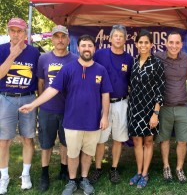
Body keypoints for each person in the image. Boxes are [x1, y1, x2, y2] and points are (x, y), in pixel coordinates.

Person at [19, 35, 113, 195]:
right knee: (72, 153)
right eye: (83, 46)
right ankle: (71, 181)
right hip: (72, 121)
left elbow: (105, 95)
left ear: (94, 49)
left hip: (93, 121)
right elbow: (52, 89)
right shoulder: (68, 69)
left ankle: (84, 179)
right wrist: (34, 104)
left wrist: (104, 117)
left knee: (88, 153)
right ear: (78, 48)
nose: (86, 49)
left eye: (90, 46)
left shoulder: (100, 70)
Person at [0, 17, 40, 194]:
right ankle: (4, 177)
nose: (16, 34)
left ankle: (25, 175)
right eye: (12, 30)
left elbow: (39, 78)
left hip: (28, 98)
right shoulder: (1, 50)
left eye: (19, 31)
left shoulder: (34, 52)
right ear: (8, 31)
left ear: (25, 33)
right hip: (6, 98)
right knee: (3, 141)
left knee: (28, 138)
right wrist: (12, 55)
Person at [89, 25, 133, 184]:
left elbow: (130, 82)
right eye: (116, 36)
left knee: (118, 138)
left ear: (125, 39)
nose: (119, 38)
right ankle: (98, 168)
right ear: (110, 38)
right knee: (100, 139)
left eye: (121, 36)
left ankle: (114, 168)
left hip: (121, 102)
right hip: (102, 104)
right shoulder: (100, 54)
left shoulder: (129, 59)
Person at [36, 25, 78, 191]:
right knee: (46, 143)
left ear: (68, 39)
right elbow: (40, 82)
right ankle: (44, 174)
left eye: (63, 36)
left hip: (68, 110)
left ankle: (63, 170)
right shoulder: (44, 59)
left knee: (65, 142)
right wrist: (42, 102)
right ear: (52, 39)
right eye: (57, 36)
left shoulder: (75, 59)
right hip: (48, 110)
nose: (60, 40)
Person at [128, 29, 165, 188]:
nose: (143, 45)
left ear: (151, 44)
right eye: (140, 42)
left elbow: (160, 90)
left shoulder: (157, 63)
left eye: (146, 42)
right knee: (137, 140)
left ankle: (145, 173)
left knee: (148, 141)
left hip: (150, 109)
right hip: (134, 107)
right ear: (136, 44)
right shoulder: (134, 62)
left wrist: (155, 113)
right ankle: (138, 171)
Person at [154, 31, 187, 183]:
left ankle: (179, 168)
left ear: (181, 45)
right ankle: (166, 167)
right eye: (171, 42)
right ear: (166, 43)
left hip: (182, 105)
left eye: (177, 43)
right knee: (164, 139)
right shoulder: (158, 57)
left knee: (183, 140)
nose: (174, 46)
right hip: (164, 106)